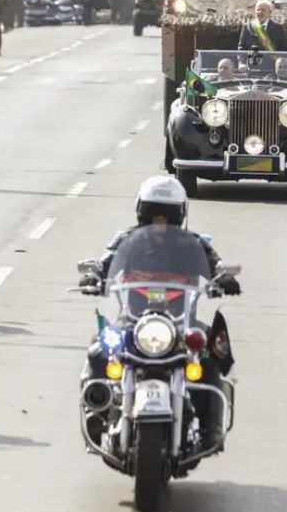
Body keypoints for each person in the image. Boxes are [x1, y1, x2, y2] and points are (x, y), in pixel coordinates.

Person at [80, 176, 240, 444]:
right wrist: (94, 275)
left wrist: (223, 277)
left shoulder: (192, 243)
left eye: (166, 217)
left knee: (211, 354)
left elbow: (215, 263)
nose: (159, 222)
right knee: (100, 350)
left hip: (181, 323)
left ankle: (210, 428)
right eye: (153, 216)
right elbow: (105, 261)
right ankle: (97, 412)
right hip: (132, 321)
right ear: (142, 214)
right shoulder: (127, 240)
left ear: (178, 217)